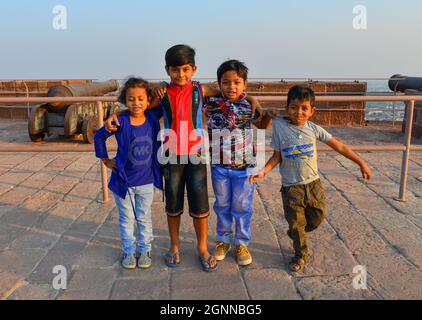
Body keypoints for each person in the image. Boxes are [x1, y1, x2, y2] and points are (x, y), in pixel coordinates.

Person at [106, 44, 263, 272]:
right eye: (175, 70)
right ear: (167, 70)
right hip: (170, 155)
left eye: (186, 69)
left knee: (200, 203)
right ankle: (175, 245)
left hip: (196, 155)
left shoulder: (201, 90)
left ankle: (202, 248)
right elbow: (138, 108)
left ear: (194, 69)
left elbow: (231, 92)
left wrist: (254, 100)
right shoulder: (163, 94)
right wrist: (117, 114)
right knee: (173, 203)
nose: (181, 74)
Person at [250, 85, 372, 272]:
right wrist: (264, 171)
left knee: (317, 216)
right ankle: (301, 253)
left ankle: (296, 231)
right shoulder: (280, 126)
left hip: (313, 185)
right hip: (291, 188)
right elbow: (277, 156)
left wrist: (360, 162)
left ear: (311, 111)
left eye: (304, 108)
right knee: (298, 224)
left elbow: (339, 146)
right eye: (294, 107)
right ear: (287, 107)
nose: (298, 112)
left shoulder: (314, 129)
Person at [204, 59, 271, 266]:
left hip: (245, 167)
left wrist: (264, 112)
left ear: (244, 84)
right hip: (219, 166)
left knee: (242, 206)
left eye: (236, 82)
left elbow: (262, 126)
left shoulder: (248, 106)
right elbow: (197, 91)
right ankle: (223, 239)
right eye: (225, 82)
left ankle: (242, 242)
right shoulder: (211, 103)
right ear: (218, 84)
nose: (231, 87)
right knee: (222, 204)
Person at [94, 77, 163, 269]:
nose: (136, 103)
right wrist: (106, 160)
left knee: (143, 216)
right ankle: (128, 251)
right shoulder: (120, 121)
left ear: (148, 100)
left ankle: (145, 249)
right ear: (125, 100)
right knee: (126, 218)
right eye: (131, 99)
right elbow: (100, 136)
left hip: (146, 180)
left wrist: (160, 88)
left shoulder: (151, 117)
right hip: (123, 180)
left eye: (141, 99)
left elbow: (166, 97)